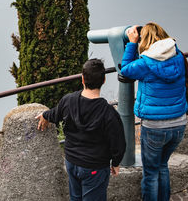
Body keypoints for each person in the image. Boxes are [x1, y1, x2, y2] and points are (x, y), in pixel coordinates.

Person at [36, 59, 126, 201]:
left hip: (72, 161)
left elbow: (56, 113)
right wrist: (115, 163)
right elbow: (118, 142)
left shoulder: (68, 100)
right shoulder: (108, 113)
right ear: (103, 80)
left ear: (82, 79)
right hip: (94, 166)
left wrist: (45, 115)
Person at [121, 22, 187, 201]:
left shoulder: (146, 63)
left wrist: (132, 43)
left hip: (155, 127)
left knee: (150, 173)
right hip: (179, 123)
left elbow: (126, 69)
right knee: (162, 166)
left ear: (145, 40)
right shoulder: (178, 55)